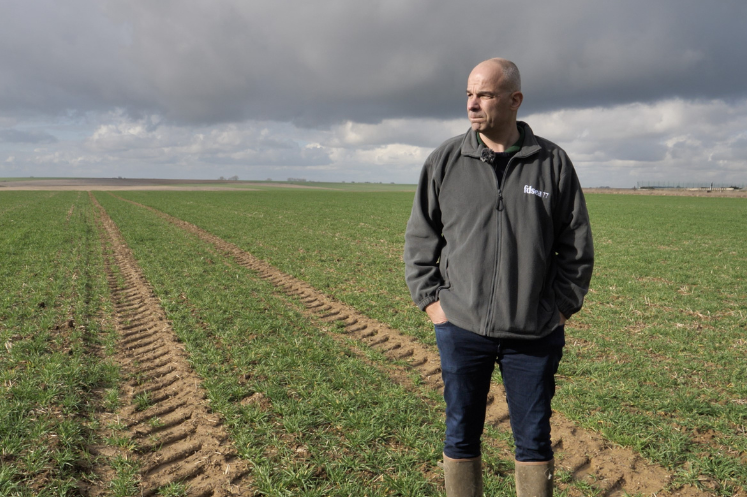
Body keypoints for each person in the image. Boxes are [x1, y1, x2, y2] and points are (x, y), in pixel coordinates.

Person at [403, 58, 594, 497]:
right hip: (461, 327)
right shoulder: (446, 160)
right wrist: (434, 304)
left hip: (534, 332)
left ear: (514, 100)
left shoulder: (552, 163)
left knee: (533, 439)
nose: (473, 104)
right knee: (461, 433)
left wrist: (560, 308)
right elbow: (420, 238)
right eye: (469, 94)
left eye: (485, 95)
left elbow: (577, 246)